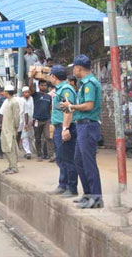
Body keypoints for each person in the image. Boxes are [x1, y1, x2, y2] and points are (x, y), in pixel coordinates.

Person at [59, 55, 103, 209]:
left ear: (78, 68)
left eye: (74, 68)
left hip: (88, 125)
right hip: (82, 126)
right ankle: (88, 194)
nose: (73, 71)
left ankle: (96, 198)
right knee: (79, 160)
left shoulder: (89, 84)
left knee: (88, 162)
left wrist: (71, 107)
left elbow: (89, 105)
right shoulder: (84, 83)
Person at [48, 65, 78, 198]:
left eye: (50, 75)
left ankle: (71, 187)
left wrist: (65, 129)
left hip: (65, 127)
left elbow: (68, 110)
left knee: (68, 158)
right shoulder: (58, 90)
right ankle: (63, 184)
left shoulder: (66, 90)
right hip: (59, 126)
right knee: (61, 158)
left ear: (54, 77)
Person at [29, 76, 53, 161]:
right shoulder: (36, 95)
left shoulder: (49, 96)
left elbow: (50, 108)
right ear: (39, 86)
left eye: (45, 85)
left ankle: (51, 155)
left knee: (48, 137)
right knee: (38, 138)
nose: (44, 87)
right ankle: (39, 155)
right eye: (42, 85)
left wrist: (51, 119)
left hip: (46, 120)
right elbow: (30, 87)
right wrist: (32, 76)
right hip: (37, 120)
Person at [0, 84, 20, 174]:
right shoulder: (7, 101)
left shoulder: (14, 102)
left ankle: (14, 167)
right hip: (5, 127)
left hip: (10, 128)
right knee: (5, 147)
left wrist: (15, 127)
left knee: (10, 148)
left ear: (7, 92)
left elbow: (16, 117)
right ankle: (10, 165)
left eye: (4, 91)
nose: (3, 93)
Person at [17, 86, 34, 159]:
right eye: (25, 92)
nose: (26, 94)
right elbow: (24, 112)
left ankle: (29, 150)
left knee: (31, 136)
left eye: (27, 92)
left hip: (32, 120)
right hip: (23, 121)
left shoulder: (32, 99)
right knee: (24, 136)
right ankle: (27, 152)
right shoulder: (21, 100)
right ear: (23, 93)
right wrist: (25, 123)